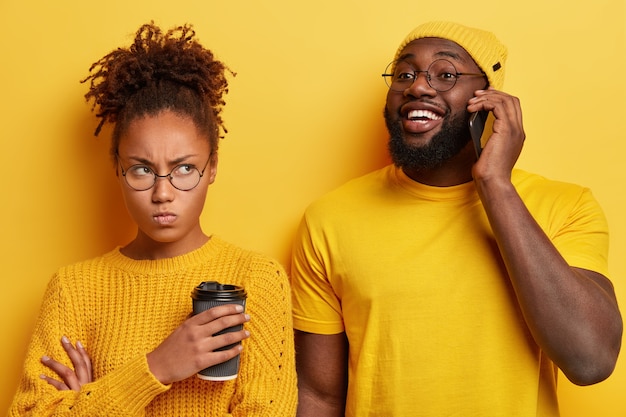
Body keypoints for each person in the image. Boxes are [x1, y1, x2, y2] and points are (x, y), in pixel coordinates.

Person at [290, 21, 622, 416]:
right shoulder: (329, 219)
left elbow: (591, 360)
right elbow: (319, 395)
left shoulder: (565, 207)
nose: (417, 87)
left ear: (490, 98)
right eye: (404, 74)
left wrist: (495, 184)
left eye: (446, 74)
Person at [8, 22, 297, 416]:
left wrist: (90, 402)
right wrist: (157, 367)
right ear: (117, 168)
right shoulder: (72, 290)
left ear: (212, 166)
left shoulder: (254, 280)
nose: (163, 193)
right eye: (142, 169)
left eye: (183, 169)